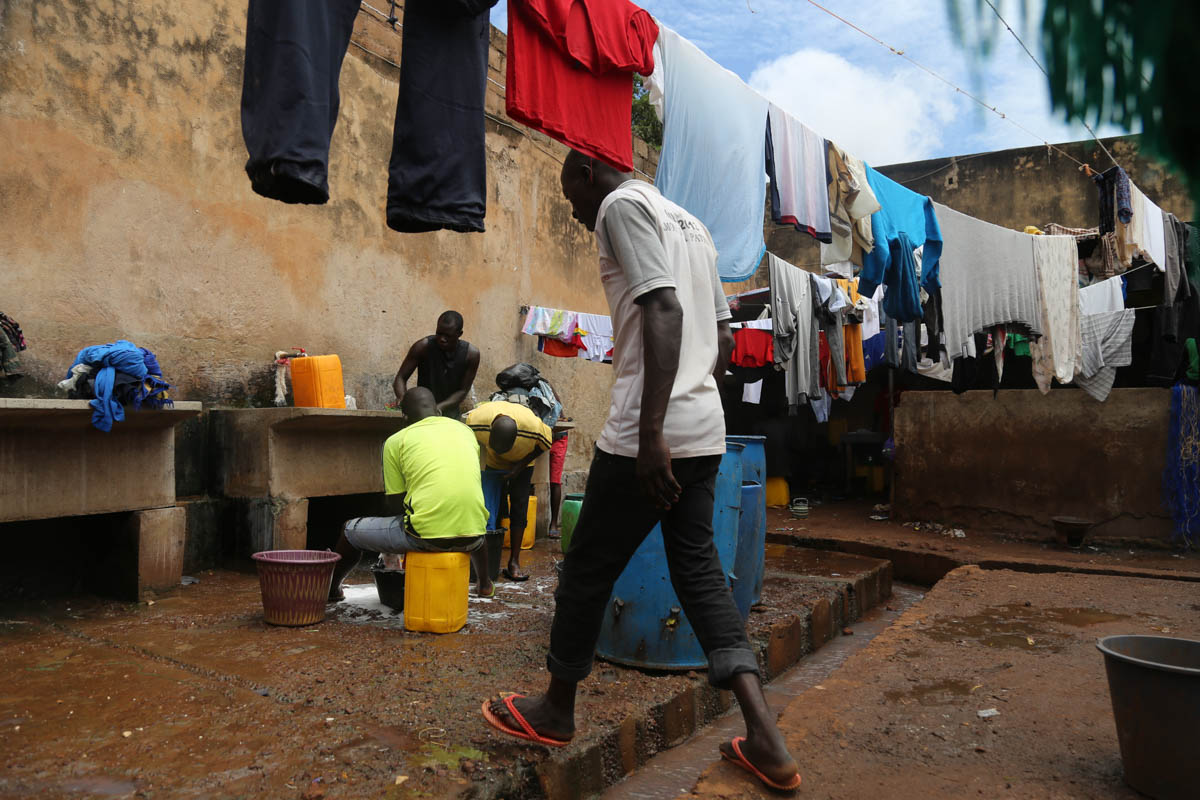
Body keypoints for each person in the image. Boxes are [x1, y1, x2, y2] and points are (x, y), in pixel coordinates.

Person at [481, 151, 801, 792]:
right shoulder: (694, 224)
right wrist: (690, 417)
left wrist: (654, 432)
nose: (573, 210)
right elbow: (724, 339)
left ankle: (556, 711)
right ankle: (766, 738)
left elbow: (665, 312)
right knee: (703, 576)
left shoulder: (621, 206)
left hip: (645, 433)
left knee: (588, 567)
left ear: (584, 172)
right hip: (704, 428)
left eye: (569, 191)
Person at [328, 387, 494, 600]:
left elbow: (395, 504)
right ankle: (485, 584)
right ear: (438, 411)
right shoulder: (465, 431)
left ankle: (332, 590)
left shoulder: (396, 441)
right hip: (474, 535)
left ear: (404, 417)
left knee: (349, 531)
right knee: (471, 521)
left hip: (425, 537)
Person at [465, 400, 552, 582]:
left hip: (522, 462)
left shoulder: (534, 427)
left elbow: (545, 445)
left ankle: (514, 561)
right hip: (490, 462)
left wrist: (518, 467)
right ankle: (486, 562)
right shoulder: (476, 421)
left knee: (519, 506)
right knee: (487, 508)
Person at [393, 310, 481, 418]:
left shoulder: (471, 355)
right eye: (439, 333)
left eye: (448, 336)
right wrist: (403, 399)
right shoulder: (422, 347)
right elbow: (401, 378)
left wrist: (438, 408)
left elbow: (462, 391)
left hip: (450, 412)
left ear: (459, 334)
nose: (442, 339)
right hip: (421, 411)